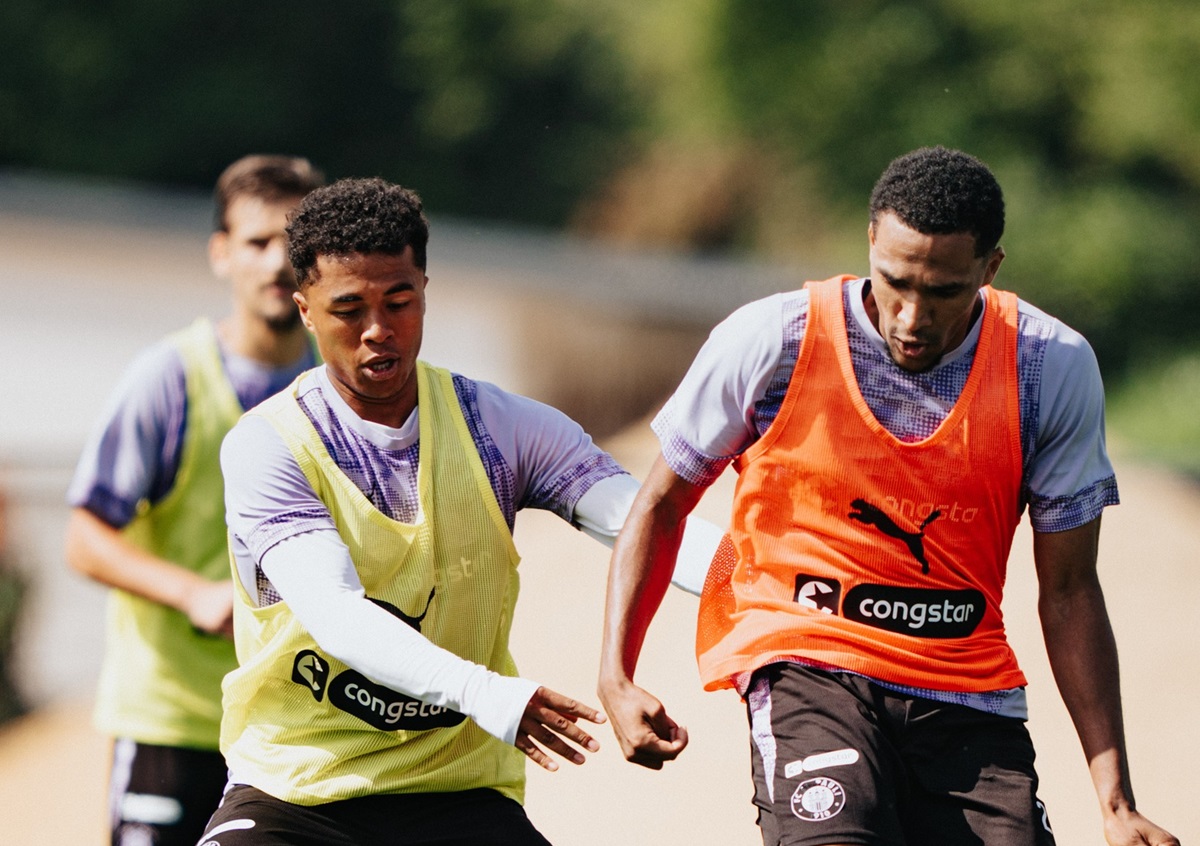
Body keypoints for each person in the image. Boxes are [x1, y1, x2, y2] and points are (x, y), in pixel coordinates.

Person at [597, 146, 1180, 846]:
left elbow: (1070, 590)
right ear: (870, 240)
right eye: (896, 282)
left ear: (989, 270)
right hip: (808, 658)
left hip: (966, 687)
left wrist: (1114, 800)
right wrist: (616, 674)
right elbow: (660, 506)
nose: (911, 317)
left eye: (943, 293)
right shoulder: (772, 341)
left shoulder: (1048, 367)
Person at [200, 176, 716, 846]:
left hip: (457, 794)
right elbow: (337, 615)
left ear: (424, 290)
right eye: (348, 308)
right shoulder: (270, 446)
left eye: (400, 300)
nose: (379, 331)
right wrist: (494, 696)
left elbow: (645, 520)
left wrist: (793, 590)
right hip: (297, 791)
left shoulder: (500, 428)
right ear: (304, 310)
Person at [65, 154, 326, 846]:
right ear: (221, 254)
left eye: (294, 243)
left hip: (289, 727)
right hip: (171, 726)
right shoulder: (169, 380)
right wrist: (192, 594)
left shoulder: (338, 392)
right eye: (257, 242)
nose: (277, 263)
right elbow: (85, 538)